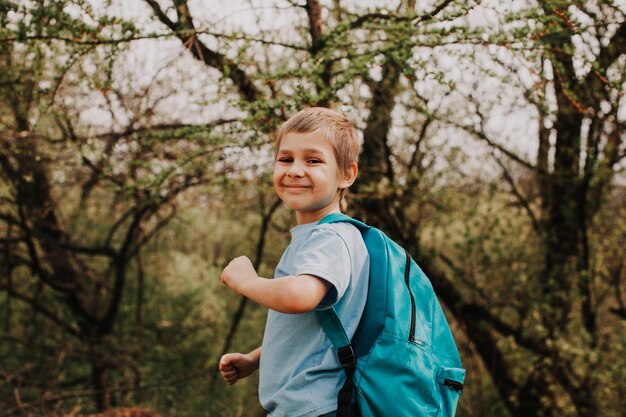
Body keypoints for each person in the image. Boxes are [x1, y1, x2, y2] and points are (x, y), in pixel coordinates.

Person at [218, 107, 369, 417]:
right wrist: (255, 359)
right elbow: (316, 327)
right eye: (286, 159)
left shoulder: (332, 238)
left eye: (313, 160)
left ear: (346, 175)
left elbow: (301, 297)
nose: (295, 170)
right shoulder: (315, 238)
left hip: (315, 408)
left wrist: (247, 281)